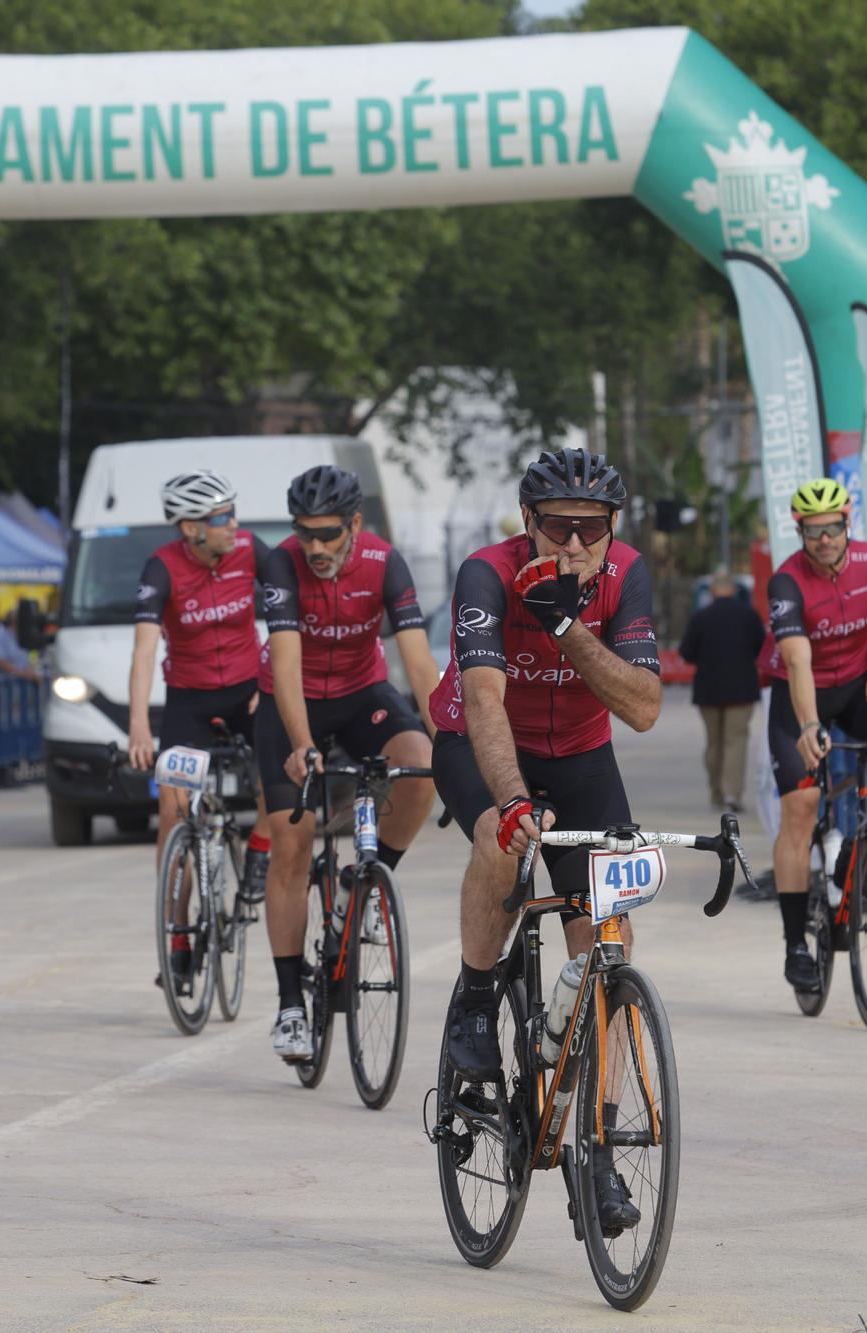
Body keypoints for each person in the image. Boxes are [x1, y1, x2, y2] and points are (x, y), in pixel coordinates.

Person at [432, 446, 658, 1234]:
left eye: (590, 529)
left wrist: (564, 621)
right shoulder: (485, 574)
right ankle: (472, 998)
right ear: (527, 523)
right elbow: (485, 698)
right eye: (557, 527)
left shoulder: (625, 574)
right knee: (503, 838)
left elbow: (642, 707)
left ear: (611, 529)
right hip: (483, 744)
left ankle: (595, 1153)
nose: (574, 545)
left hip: (584, 756)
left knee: (609, 944)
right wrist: (514, 799)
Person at [256, 464, 440, 1062]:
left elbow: (417, 665)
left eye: (328, 533)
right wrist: (302, 743)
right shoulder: (282, 562)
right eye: (305, 532)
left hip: (362, 693)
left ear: (355, 525)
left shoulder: (386, 563)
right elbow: (285, 664)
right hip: (293, 701)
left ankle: (363, 886)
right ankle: (290, 1003)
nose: (315, 547)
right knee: (292, 840)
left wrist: (454, 741)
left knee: (422, 763)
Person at [760, 479, 867, 993]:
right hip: (799, 694)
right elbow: (797, 659)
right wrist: (809, 725)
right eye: (813, 531)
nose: (824, 539)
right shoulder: (786, 582)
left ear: (847, 524)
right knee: (801, 808)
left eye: (832, 528)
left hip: (856, 685)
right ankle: (794, 945)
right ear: (800, 531)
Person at [128, 469, 276, 954]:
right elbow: (145, 651)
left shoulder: (251, 550)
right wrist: (138, 729)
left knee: (277, 783)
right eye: (221, 516)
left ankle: (258, 851)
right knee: (172, 813)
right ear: (190, 528)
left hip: (248, 690)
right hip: (188, 700)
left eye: (233, 511)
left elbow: (290, 613)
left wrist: (270, 678)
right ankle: (177, 936)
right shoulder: (162, 568)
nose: (233, 523)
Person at [678, 572, 763, 812]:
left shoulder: (700, 617)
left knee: (714, 743)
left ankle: (716, 792)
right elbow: (762, 648)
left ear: (712, 591)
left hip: (708, 689)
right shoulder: (749, 616)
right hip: (742, 689)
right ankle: (732, 794)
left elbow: (686, 652)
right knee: (735, 741)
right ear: (734, 591)